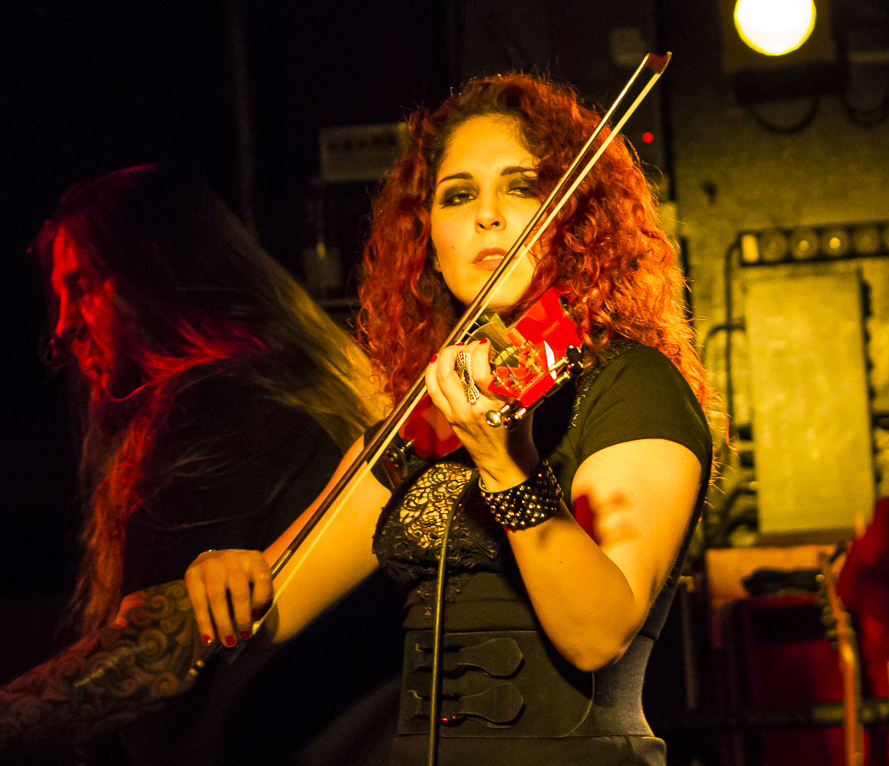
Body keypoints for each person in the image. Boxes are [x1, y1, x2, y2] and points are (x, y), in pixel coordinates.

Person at [185, 73, 716, 765]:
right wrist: (221, 574)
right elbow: (273, 600)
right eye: (458, 195)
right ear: (428, 237)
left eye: (521, 187)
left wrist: (505, 463)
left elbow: (598, 634)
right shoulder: (426, 418)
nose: (487, 215)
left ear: (576, 218)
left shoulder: (632, 383)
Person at [0, 164, 397, 765]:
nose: (62, 325)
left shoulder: (210, 404)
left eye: (81, 286)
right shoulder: (297, 379)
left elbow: (153, 656)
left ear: (154, 271)